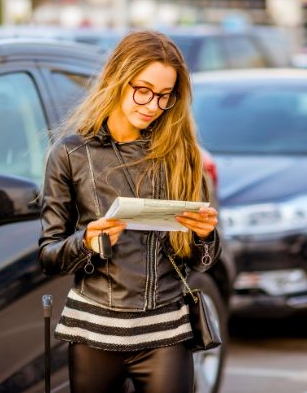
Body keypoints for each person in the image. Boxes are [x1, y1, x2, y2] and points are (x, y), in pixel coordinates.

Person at [38, 30, 221, 393]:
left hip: (166, 333)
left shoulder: (182, 155)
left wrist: (205, 236)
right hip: (92, 332)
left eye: (165, 96)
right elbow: (48, 255)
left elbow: (204, 261)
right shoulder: (71, 154)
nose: (153, 105)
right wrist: (87, 241)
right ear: (117, 79)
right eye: (144, 90)